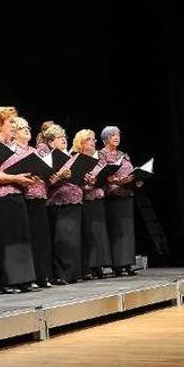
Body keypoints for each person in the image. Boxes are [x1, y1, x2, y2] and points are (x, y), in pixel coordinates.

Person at [0, 107, 37, 294]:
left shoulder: (13, 146)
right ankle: (6, 282)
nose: (14, 127)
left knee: (20, 238)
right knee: (5, 240)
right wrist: (16, 178)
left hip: (17, 195)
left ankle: (22, 279)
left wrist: (27, 176)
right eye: (10, 122)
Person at [14, 117, 53, 287]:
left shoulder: (33, 150)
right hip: (25, 197)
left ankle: (42, 275)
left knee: (41, 238)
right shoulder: (13, 150)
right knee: (30, 239)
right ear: (14, 133)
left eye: (28, 127)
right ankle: (32, 276)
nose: (27, 130)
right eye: (22, 128)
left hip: (40, 195)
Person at [98, 126, 139, 276]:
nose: (117, 137)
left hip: (127, 194)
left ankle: (128, 263)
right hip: (113, 196)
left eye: (118, 135)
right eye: (113, 135)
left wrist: (136, 179)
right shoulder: (101, 154)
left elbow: (131, 171)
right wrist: (117, 180)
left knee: (128, 231)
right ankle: (117, 265)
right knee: (117, 231)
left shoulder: (123, 154)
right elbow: (102, 175)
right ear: (106, 138)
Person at [73, 129, 113, 279]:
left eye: (94, 139)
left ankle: (99, 265)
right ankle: (90, 267)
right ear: (82, 143)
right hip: (86, 200)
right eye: (90, 139)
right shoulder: (77, 158)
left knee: (99, 234)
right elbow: (75, 181)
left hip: (98, 198)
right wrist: (88, 181)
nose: (94, 142)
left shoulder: (99, 158)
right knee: (90, 234)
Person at [45, 125, 81, 284]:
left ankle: (73, 273)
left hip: (74, 200)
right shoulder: (49, 156)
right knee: (61, 239)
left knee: (72, 240)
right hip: (58, 201)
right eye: (60, 138)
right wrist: (60, 175)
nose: (64, 140)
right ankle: (61, 274)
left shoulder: (70, 156)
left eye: (65, 137)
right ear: (51, 143)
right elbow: (48, 180)